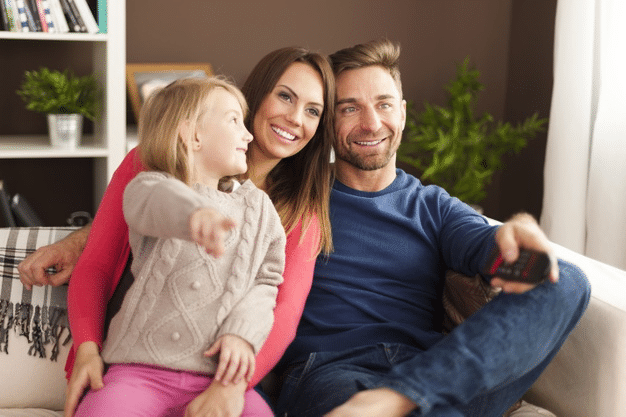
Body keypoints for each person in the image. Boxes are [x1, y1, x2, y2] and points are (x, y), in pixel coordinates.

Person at [273, 39, 591, 417]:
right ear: (328, 121)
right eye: (349, 108)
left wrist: (519, 236)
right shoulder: (295, 195)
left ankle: (399, 397)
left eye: (384, 104)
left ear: (403, 113)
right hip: (329, 372)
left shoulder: (433, 206)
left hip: (432, 372)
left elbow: (494, 252)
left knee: (563, 278)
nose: (372, 123)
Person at [18, 46, 335, 417]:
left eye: (313, 111)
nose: (296, 118)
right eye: (285, 96)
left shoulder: (298, 213)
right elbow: (104, 256)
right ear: (258, 94)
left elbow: (281, 309)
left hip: (224, 375)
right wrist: (87, 346)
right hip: (136, 364)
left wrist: (230, 388)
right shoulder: (151, 165)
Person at [73, 76, 285, 416]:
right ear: (192, 135)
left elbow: (266, 283)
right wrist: (194, 214)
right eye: (234, 120)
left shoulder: (260, 210)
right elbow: (158, 202)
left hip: (217, 378)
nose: (248, 135)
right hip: (138, 372)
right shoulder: (148, 186)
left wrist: (242, 335)